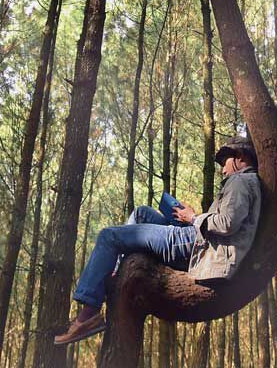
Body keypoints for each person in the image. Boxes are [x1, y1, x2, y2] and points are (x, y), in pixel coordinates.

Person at [54, 136, 263, 345]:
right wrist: (189, 218)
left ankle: (88, 315)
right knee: (141, 213)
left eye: (225, 162)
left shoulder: (239, 181)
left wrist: (192, 218)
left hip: (195, 244)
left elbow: (227, 223)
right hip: (199, 239)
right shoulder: (248, 182)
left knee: (108, 237)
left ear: (240, 157)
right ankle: (116, 272)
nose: (223, 170)